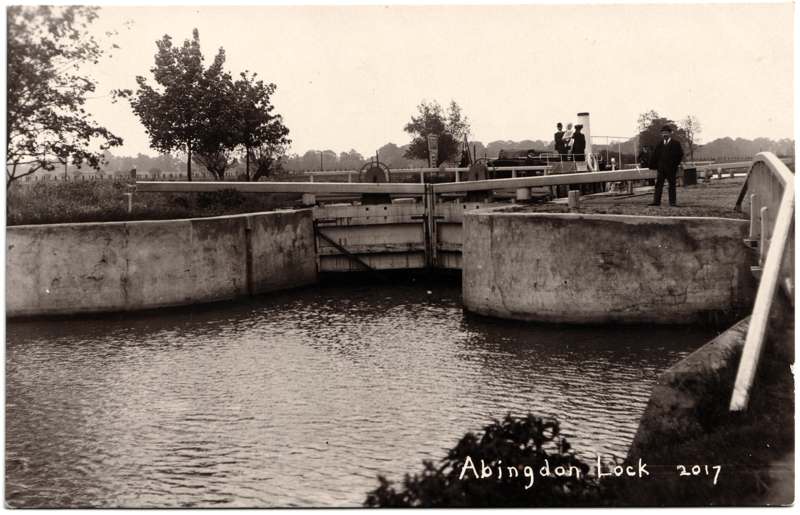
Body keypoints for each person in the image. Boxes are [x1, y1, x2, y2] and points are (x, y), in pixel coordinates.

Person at [648, 125, 684, 206]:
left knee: (672, 185)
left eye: (666, 133)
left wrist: (675, 165)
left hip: (671, 169)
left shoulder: (676, 144)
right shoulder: (659, 144)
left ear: (670, 133)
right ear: (661, 134)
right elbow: (654, 156)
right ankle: (656, 202)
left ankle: (672, 202)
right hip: (661, 169)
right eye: (663, 133)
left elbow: (680, 155)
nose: (665, 134)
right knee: (658, 185)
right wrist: (654, 166)